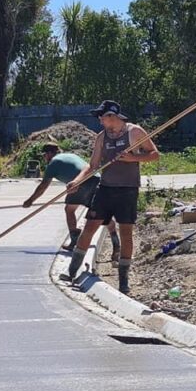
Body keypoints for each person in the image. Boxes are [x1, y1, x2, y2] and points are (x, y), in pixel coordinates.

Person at [63, 100, 160, 294]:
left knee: (126, 233)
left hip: (128, 190)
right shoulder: (101, 137)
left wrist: (133, 158)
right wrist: (77, 181)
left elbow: (154, 154)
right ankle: (72, 271)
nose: (99, 119)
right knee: (89, 226)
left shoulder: (135, 132)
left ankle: (123, 280)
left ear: (112, 116)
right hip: (105, 189)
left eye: (102, 116)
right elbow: (92, 166)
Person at [23, 142, 118, 253]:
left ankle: (74, 240)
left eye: (44, 155)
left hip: (79, 184)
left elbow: (43, 186)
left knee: (69, 210)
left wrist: (30, 200)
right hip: (97, 180)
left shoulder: (53, 164)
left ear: (49, 154)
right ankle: (116, 242)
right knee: (101, 214)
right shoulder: (71, 156)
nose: (44, 158)